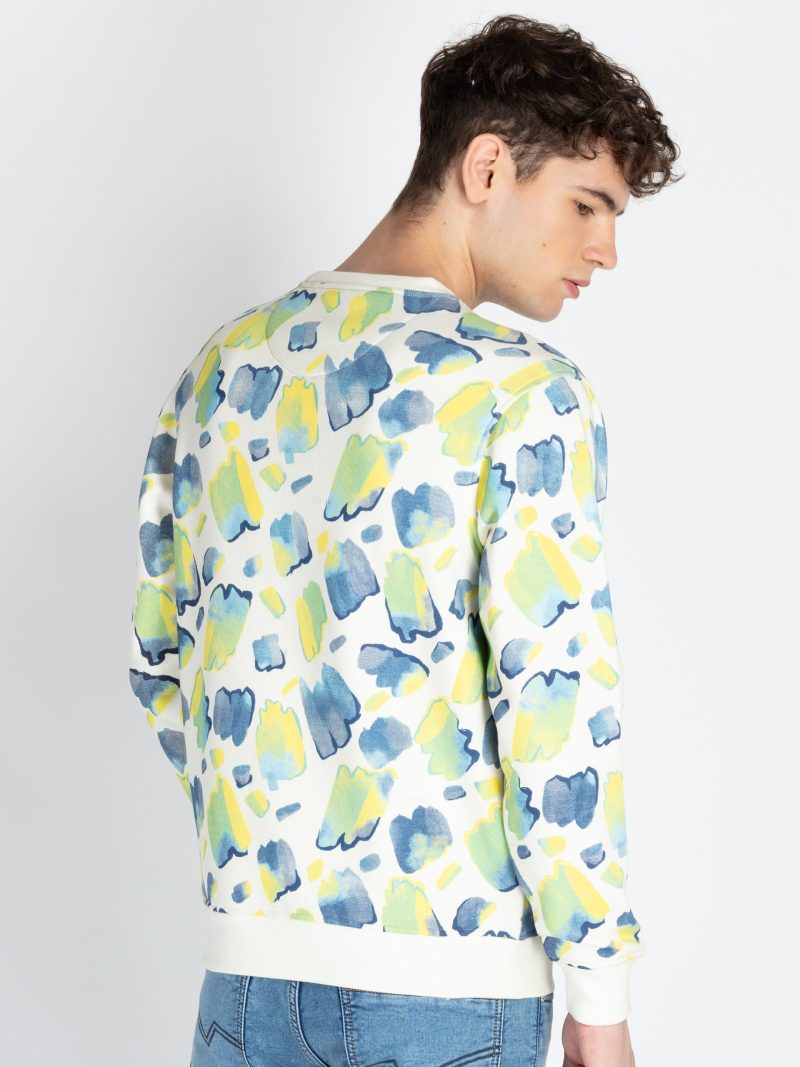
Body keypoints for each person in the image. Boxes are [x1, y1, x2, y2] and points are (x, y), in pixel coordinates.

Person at [128, 13, 682, 1067]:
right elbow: (554, 704)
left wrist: (268, 843)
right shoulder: (525, 393)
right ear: (486, 167)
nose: (605, 250)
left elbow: (163, 661)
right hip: (450, 998)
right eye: (586, 205)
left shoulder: (223, 369)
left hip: (245, 985)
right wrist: (599, 997)